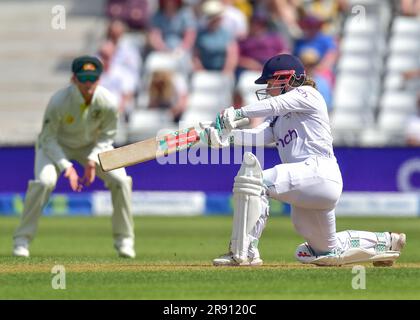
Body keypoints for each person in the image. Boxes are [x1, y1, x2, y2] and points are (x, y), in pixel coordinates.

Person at [205, 54, 406, 266]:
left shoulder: (307, 94)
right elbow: (258, 136)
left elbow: (276, 104)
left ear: (288, 79)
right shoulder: (278, 117)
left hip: (318, 171)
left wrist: (237, 113)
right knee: (324, 252)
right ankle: (386, 241)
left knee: (254, 181)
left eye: (271, 83)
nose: (268, 88)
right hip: (312, 185)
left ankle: (244, 252)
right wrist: (225, 138)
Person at [13, 56, 135, 258]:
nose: (88, 84)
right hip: (55, 146)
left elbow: (108, 136)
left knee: (121, 180)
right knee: (45, 182)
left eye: (92, 79)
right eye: (83, 79)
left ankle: (124, 240)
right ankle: (21, 239)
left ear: (99, 79)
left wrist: (92, 159)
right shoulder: (59, 101)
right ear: (73, 80)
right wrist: (66, 167)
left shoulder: (109, 102)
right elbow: (48, 138)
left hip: (92, 146)